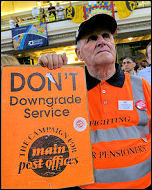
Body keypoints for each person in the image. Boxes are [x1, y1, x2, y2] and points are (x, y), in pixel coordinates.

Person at [38, 14, 151, 189]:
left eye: (106, 36)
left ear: (113, 44)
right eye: (92, 38)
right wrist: (44, 74)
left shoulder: (141, 86)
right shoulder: (65, 92)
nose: (101, 41)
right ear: (78, 53)